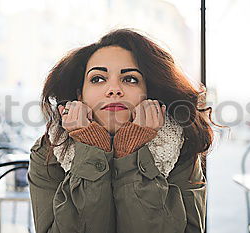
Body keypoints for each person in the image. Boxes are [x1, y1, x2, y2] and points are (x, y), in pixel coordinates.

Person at [28, 28, 216, 233]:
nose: (114, 89)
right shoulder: (48, 151)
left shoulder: (181, 148)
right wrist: (91, 149)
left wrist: (132, 154)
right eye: (98, 79)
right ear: (79, 95)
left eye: (130, 79)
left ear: (149, 95)